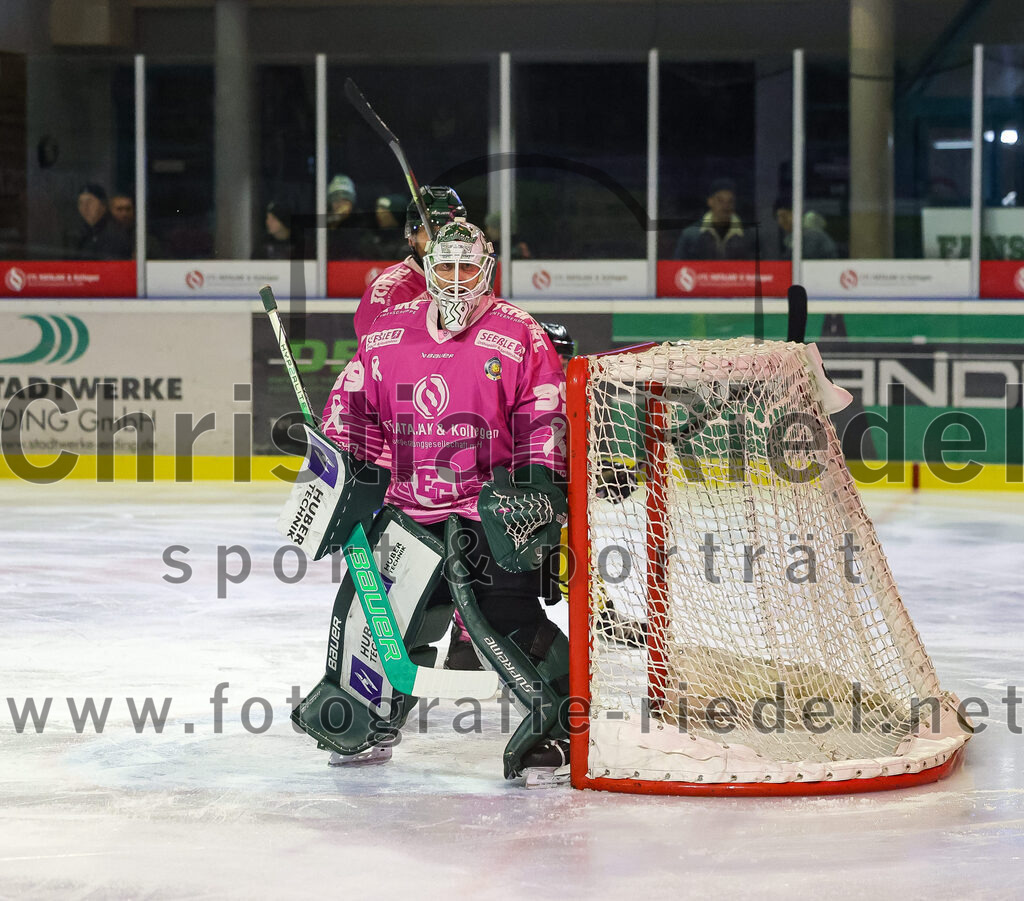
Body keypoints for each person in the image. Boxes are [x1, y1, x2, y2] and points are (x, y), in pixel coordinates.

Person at [322, 220, 571, 774]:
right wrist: (342, 470)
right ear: (427, 270)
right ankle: (364, 714)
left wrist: (538, 485)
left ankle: (559, 727)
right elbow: (352, 410)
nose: (455, 282)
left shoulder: (518, 333)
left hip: (491, 508)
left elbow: (543, 414)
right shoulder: (388, 333)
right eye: (445, 268)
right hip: (409, 505)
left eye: (467, 269)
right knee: (377, 612)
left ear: (487, 271)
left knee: (506, 619)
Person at [352, 185, 467, 338]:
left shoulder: (472, 280)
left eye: (449, 230)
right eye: (431, 229)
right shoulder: (388, 292)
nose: (441, 239)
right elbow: (372, 356)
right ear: (411, 238)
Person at [673, 178, 752, 260]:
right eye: (720, 200)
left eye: (730, 201)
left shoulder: (749, 235)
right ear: (710, 201)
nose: (725, 206)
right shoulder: (691, 235)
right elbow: (677, 269)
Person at [65, 183, 132, 260]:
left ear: (103, 205)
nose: (85, 207)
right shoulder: (76, 235)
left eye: (89, 202)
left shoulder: (116, 233)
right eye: (81, 203)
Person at [326, 173, 375, 260]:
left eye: (345, 200)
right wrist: (334, 222)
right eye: (336, 200)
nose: (341, 204)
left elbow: (369, 251)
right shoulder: (323, 220)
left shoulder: (361, 220)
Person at [773, 198, 837, 260]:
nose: (781, 221)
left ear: (797, 214)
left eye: (784, 216)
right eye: (778, 217)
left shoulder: (811, 235)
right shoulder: (794, 236)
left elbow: (804, 263)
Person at [370, 194, 410, 260]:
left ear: (397, 215)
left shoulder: (409, 244)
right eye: (378, 208)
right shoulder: (371, 240)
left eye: (384, 210)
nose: (378, 213)